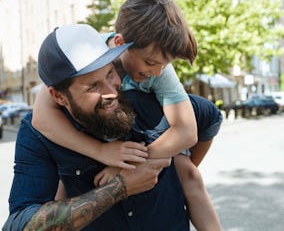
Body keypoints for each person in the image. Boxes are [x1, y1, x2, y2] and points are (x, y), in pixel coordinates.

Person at [32, 0, 222, 231]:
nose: (157, 71)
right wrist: (102, 151)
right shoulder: (89, 55)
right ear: (120, 44)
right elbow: (41, 116)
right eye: (151, 63)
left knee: (186, 171)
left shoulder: (158, 68)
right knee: (65, 182)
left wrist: (130, 165)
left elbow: (187, 131)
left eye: (165, 65)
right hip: (96, 136)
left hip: (147, 132)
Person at [3, 24, 190, 230]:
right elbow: (19, 225)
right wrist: (118, 188)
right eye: (93, 86)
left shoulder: (150, 97)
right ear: (59, 96)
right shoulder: (38, 134)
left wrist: (182, 168)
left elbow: (207, 119)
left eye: (110, 73)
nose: (111, 92)